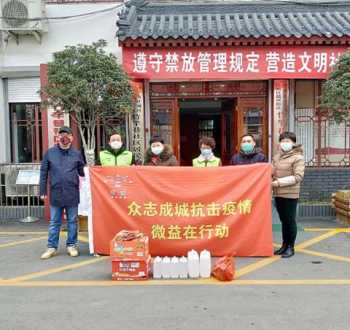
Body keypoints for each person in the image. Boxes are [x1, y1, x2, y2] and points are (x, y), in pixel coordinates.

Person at [39, 126, 85, 259]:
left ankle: (72, 245)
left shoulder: (77, 153)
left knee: (72, 221)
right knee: (54, 222)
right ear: (58, 137)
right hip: (56, 192)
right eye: (62, 135)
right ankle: (51, 247)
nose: (64, 138)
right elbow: (43, 173)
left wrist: (89, 166)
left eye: (67, 136)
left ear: (71, 138)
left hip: (72, 192)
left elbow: (82, 172)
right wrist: (42, 191)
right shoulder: (50, 153)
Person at [272, 131, 305, 258]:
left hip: (290, 194)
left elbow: (298, 177)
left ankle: (291, 247)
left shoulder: (298, 157)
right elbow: (272, 172)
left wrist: (277, 183)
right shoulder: (277, 157)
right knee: (283, 220)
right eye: (283, 141)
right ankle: (284, 245)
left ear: (293, 143)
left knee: (290, 221)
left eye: (288, 141)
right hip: (278, 193)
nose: (285, 143)